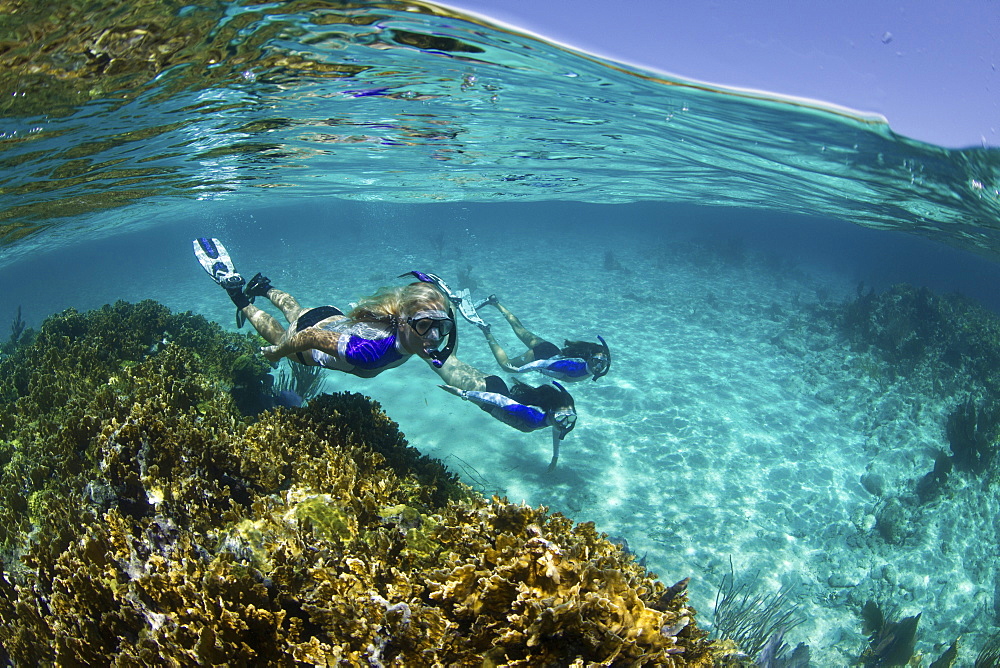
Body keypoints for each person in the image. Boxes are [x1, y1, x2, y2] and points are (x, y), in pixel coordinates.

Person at [193, 238, 456, 376]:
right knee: (279, 337)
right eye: (423, 325)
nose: (434, 337)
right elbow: (310, 337)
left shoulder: (414, 331)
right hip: (310, 340)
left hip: (330, 315)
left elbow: (440, 325)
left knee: (294, 311)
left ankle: (265, 288)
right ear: (402, 320)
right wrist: (276, 353)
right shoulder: (372, 352)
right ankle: (240, 298)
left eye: (441, 327)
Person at [433, 353, 577, 471]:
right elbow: (499, 399)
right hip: (484, 392)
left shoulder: (554, 420)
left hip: (493, 384)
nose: (565, 424)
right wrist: (463, 393)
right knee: (437, 364)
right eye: (561, 418)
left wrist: (555, 457)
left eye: (570, 418)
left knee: (450, 360)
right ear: (551, 412)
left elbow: (558, 429)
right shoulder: (534, 418)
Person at [473, 295, 610, 382]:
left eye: (601, 363)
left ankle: (495, 302)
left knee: (520, 329)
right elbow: (542, 364)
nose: (598, 366)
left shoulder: (585, 361)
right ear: (589, 359)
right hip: (540, 356)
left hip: (550, 348)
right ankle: (486, 330)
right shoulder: (574, 369)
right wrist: (521, 370)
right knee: (506, 366)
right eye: (596, 361)